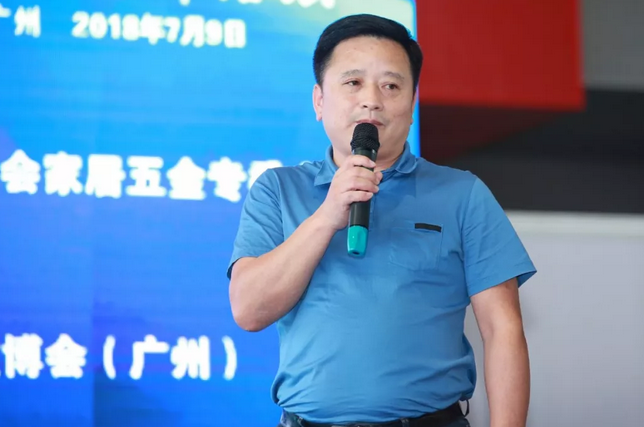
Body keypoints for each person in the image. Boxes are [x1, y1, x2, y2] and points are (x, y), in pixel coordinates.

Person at [227, 13, 536, 427]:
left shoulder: (462, 194)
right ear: (319, 100)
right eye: (353, 82)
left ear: (411, 104)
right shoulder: (278, 190)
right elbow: (249, 311)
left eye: (391, 86)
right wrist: (327, 216)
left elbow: (502, 329)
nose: (371, 99)